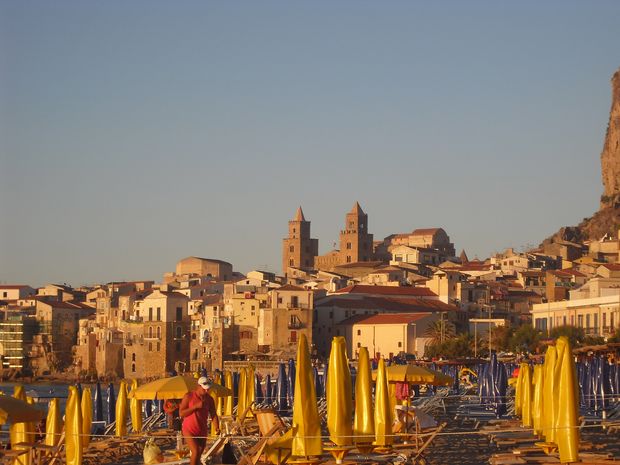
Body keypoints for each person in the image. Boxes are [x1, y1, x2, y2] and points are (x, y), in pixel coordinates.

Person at [179, 377, 220, 465]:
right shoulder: (189, 396)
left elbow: (213, 414)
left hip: (202, 429)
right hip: (189, 429)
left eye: (208, 389)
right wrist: (195, 407)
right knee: (195, 451)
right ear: (198, 386)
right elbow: (182, 413)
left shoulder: (209, 399)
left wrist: (217, 427)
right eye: (204, 389)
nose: (206, 391)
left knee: (199, 453)